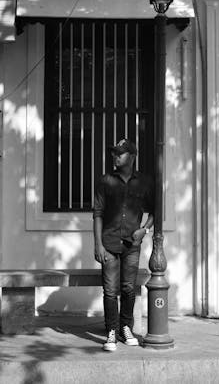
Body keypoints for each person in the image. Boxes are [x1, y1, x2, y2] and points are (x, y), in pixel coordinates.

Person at [93, 138, 154, 352]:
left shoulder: (144, 182)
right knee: (110, 290)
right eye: (114, 153)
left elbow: (155, 211)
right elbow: (98, 213)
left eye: (120, 153)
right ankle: (111, 331)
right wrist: (98, 244)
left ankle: (125, 328)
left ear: (132, 157)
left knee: (128, 288)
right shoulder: (105, 181)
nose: (115, 156)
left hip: (132, 244)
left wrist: (144, 229)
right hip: (109, 243)